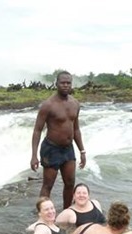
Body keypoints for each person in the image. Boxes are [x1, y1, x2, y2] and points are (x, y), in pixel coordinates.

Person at [30, 70, 86, 209]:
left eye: (68, 83)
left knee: (70, 183)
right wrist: (34, 155)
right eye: (63, 83)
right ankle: (42, 213)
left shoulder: (75, 103)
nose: (66, 85)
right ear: (56, 84)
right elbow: (37, 130)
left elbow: (76, 129)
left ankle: (67, 212)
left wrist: (82, 151)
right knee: (48, 185)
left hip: (68, 149)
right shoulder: (48, 105)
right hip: (51, 148)